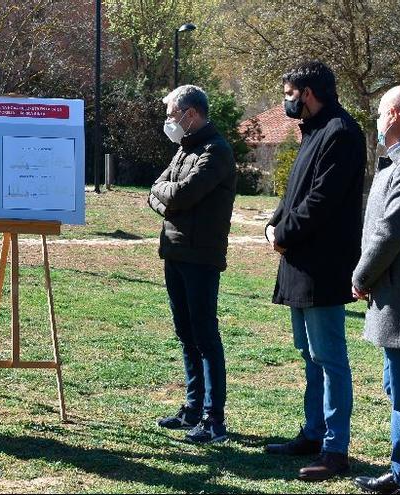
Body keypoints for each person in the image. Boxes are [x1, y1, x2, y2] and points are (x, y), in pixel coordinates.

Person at [263, 61, 366, 481]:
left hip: (322, 265)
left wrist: (282, 232)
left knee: (330, 357)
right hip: (299, 261)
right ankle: (313, 432)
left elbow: (321, 200)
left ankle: (335, 449)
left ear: (307, 93)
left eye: (289, 93)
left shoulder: (341, 132)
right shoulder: (313, 131)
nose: (285, 100)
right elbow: (295, 193)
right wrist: (273, 224)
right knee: (309, 354)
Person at [148, 85, 237, 444]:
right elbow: (155, 189)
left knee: (205, 336)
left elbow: (182, 193)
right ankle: (193, 408)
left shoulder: (216, 151)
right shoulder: (186, 149)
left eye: (172, 114)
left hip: (201, 255)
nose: (169, 121)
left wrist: (167, 197)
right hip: (175, 251)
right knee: (185, 334)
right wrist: (166, 198)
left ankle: (215, 420)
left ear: (191, 114)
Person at [351, 84, 400, 495]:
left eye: (379, 115)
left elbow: (392, 232)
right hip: (395, 301)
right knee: (399, 392)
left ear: (394, 115)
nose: (376, 123)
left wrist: (362, 275)